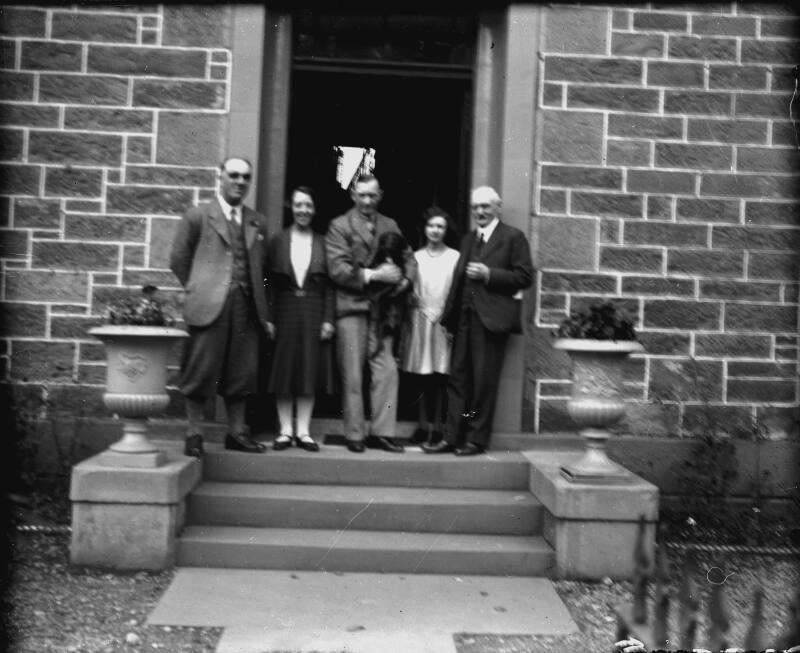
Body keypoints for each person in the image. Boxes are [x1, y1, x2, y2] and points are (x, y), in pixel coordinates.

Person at [170, 156, 271, 456]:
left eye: (246, 177)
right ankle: (194, 434)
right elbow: (178, 259)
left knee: (241, 371)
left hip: (246, 305)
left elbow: (261, 268)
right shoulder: (198, 215)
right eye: (234, 175)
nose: (240, 181)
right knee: (200, 370)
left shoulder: (257, 221)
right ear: (221, 176)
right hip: (208, 305)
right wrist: (201, 286)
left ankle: (236, 433)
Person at [423, 186, 533, 456]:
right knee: (457, 380)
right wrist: (450, 321)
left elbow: (524, 276)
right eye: (475, 207)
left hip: (491, 321)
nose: (480, 212)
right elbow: (459, 282)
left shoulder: (513, 237)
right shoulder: (469, 238)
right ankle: (451, 437)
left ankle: (476, 440)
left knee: (483, 382)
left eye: (485, 206)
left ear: (498, 207)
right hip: (464, 320)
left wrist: (489, 274)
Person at [325, 174, 416, 454]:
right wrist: (375, 274)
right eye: (362, 195)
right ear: (353, 195)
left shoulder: (390, 225)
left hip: (384, 311)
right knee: (352, 374)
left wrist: (404, 281)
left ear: (380, 196)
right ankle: (354, 434)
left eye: (372, 196)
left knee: (387, 371)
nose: (367, 201)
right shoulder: (338, 225)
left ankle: (382, 432)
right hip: (352, 308)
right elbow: (337, 269)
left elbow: (409, 257)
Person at [265, 186, 336, 452]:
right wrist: (269, 318)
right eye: (298, 205)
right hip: (284, 309)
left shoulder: (323, 242)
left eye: (308, 205)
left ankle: (304, 431)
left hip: (314, 309)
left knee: (308, 369)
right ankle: (285, 430)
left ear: (314, 209)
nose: (303, 210)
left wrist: (329, 319)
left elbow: (330, 285)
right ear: (291, 207)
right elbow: (269, 283)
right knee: (285, 370)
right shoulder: (278, 241)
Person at [400, 207, 460, 446]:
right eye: (431, 226)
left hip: (443, 321)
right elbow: (408, 288)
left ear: (445, 230)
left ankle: (437, 426)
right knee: (422, 376)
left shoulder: (454, 257)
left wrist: (447, 316)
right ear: (424, 229)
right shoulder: (416, 257)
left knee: (440, 376)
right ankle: (422, 425)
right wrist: (411, 300)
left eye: (440, 226)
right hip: (420, 318)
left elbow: (455, 291)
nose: (435, 231)